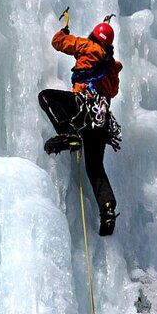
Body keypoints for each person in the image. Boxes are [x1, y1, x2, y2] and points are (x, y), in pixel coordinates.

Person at [38, 16, 123, 236]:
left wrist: (64, 30)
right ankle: (107, 209)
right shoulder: (112, 67)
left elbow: (59, 42)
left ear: (95, 35)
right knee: (95, 168)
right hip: (101, 121)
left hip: (83, 107)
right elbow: (113, 92)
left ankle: (68, 133)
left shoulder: (87, 46)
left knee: (47, 97)